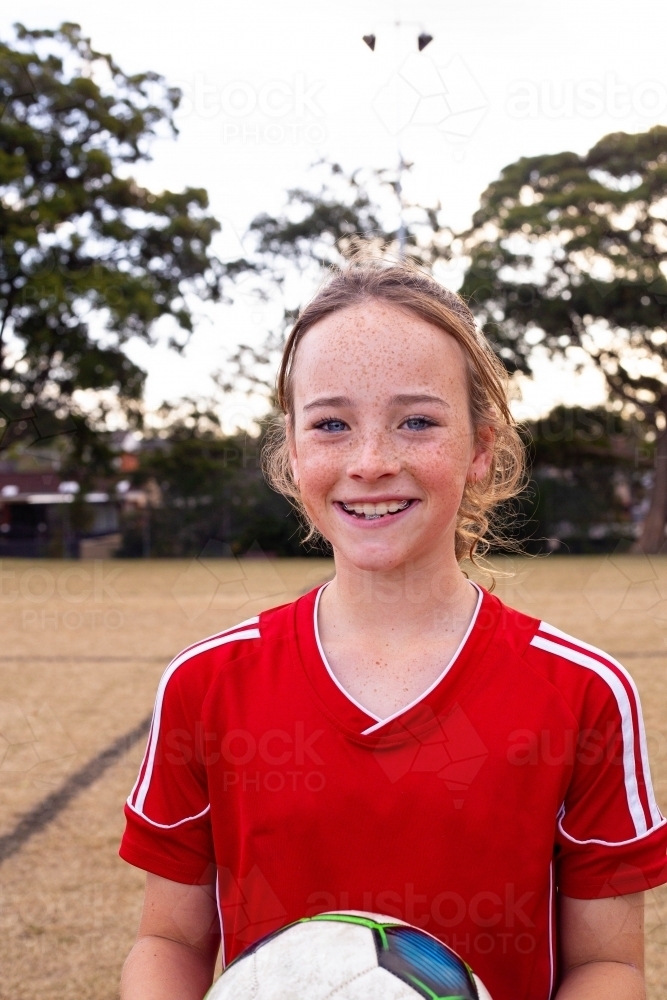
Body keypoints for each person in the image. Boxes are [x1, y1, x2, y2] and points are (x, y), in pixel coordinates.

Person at [119, 254, 667, 1000]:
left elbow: (606, 966)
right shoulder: (206, 684)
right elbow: (170, 940)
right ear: (293, 448)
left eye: (415, 421)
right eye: (332, 424)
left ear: (480, 446)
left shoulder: (581, 693)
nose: (371, 461)